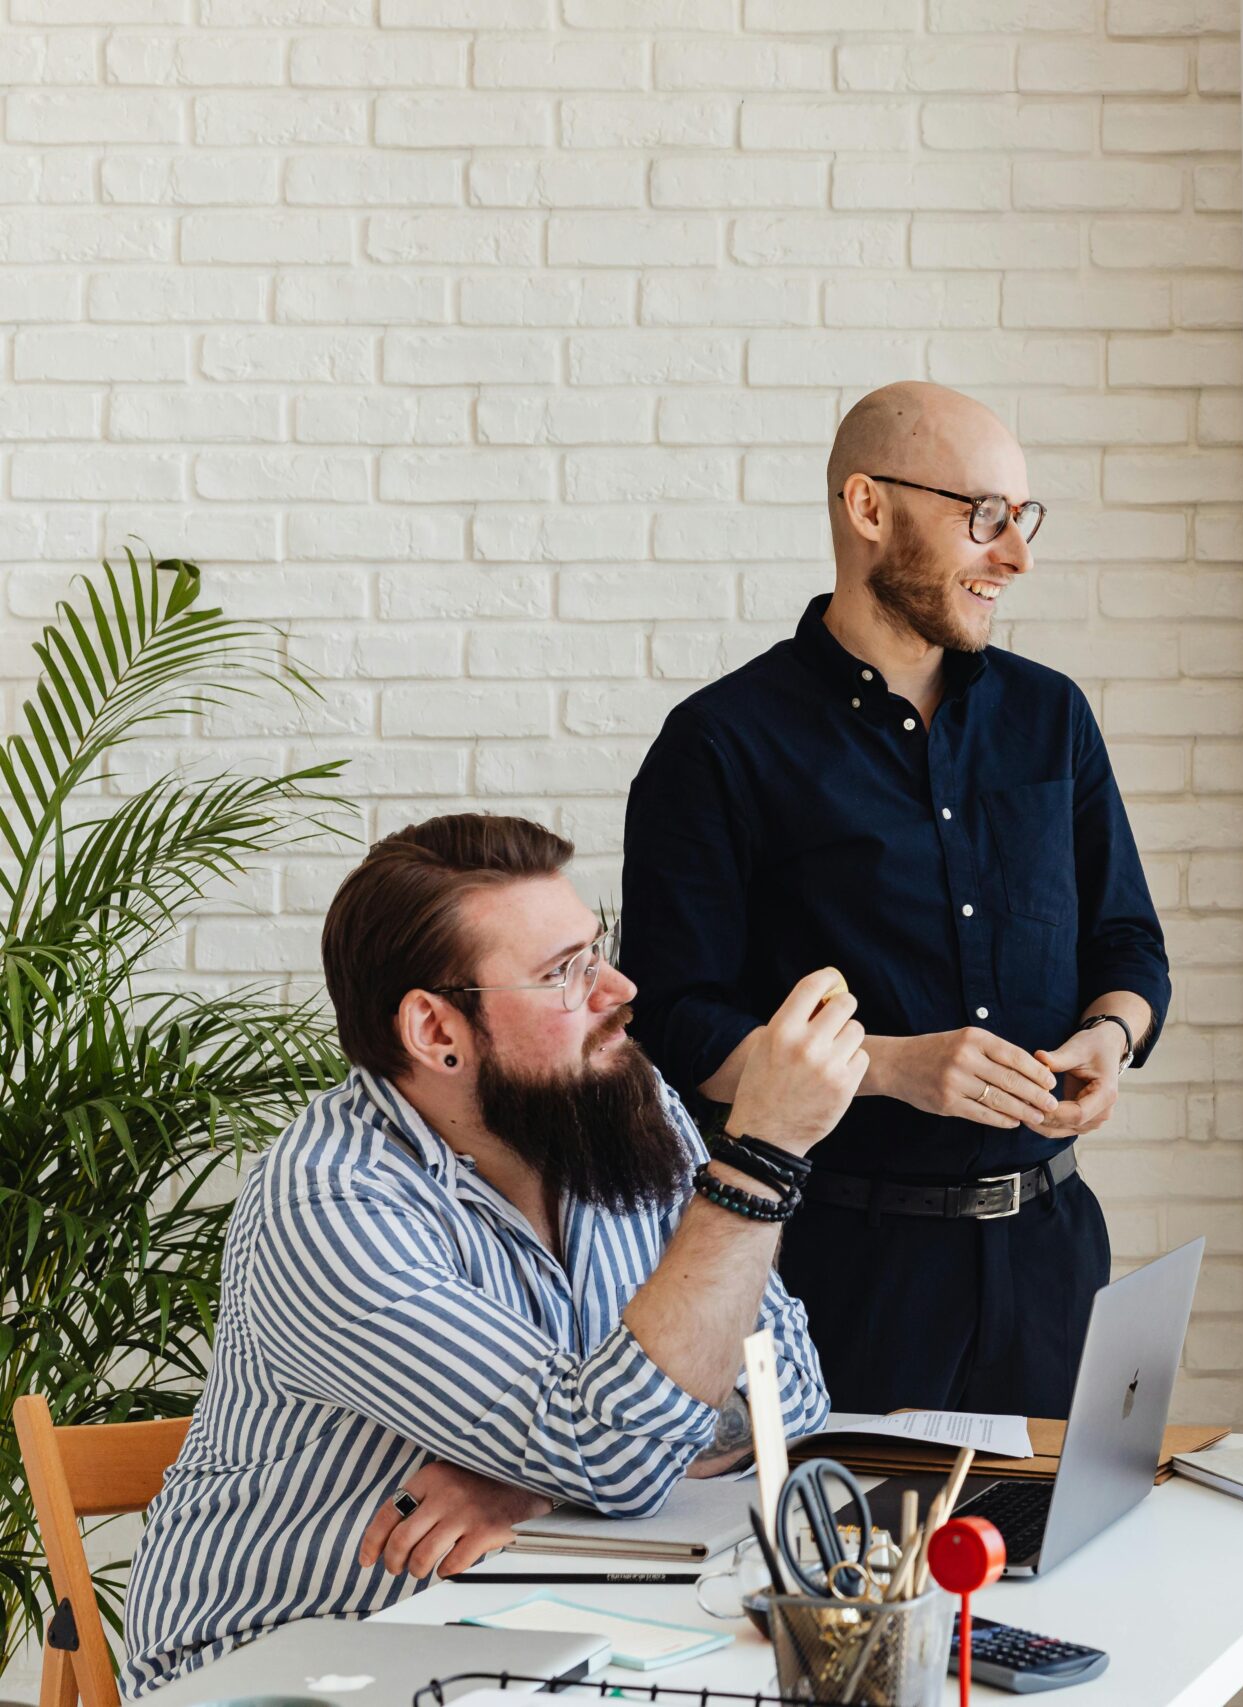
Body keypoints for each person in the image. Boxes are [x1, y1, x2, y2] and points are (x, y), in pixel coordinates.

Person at [121, 814, 861, 1695]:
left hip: (511, 1627)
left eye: (598, 952)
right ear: (437, 1030)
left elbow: (790, 1395)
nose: (618, 989)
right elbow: (613, 1453)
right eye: (563, 973)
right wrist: (760, 1158)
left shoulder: (620, 1103)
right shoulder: (330, 1200)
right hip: (283, 1659)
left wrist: (541, 1476)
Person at [621, 380, 1171, 1418]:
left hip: (1053, 1257)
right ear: (868, 509)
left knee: (1060, 1572)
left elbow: (1127, 941)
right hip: (840, 1275)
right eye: (984, 518)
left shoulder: (1051, 717)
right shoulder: (718, 746)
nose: (1016, 556)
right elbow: (675, 1024)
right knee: (850, 1575)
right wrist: (888, 1068)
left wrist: (1111, 1035)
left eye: (1022, 520)